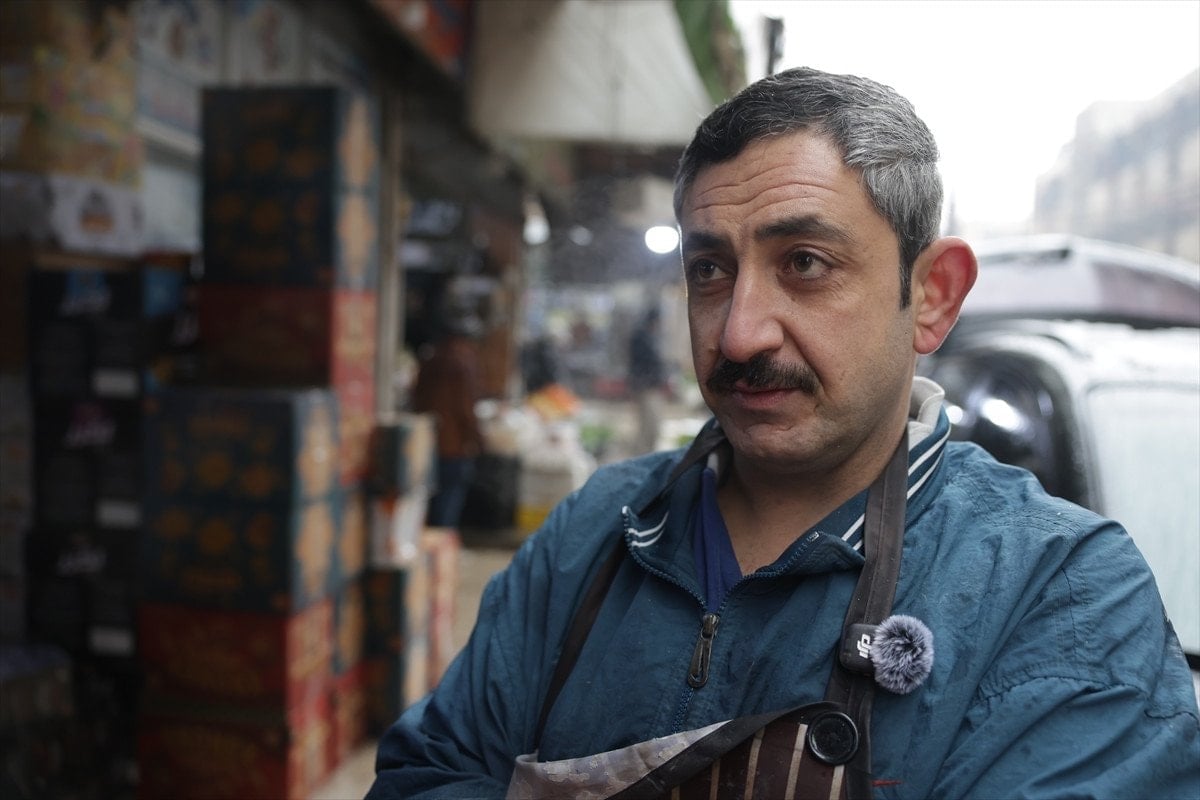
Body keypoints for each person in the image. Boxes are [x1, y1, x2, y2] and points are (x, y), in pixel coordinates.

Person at [370, 68, 1199, 799]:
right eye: (709, 270)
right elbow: (430, 772)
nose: (739, 334)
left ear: (933, 296)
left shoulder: (1062, 593)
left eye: (804, 263)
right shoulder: (595, 534)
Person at [410, 314, 485, 529]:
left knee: (429, 500)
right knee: (448, 501)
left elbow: (417, 398)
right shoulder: (463, 363)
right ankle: (442, 543)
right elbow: (465, 408)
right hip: (454, 445)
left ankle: (431, 541)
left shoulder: (430, 360)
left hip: (427, 439)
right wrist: (477, 439)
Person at [627, 305, 670, 452]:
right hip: (646, 388)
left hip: (649, 386)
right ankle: (643, 453)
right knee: (649, 424)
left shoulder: (648, 337)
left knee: (651, 424)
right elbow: (647, 363)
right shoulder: (641, 338)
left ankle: (645, 451)